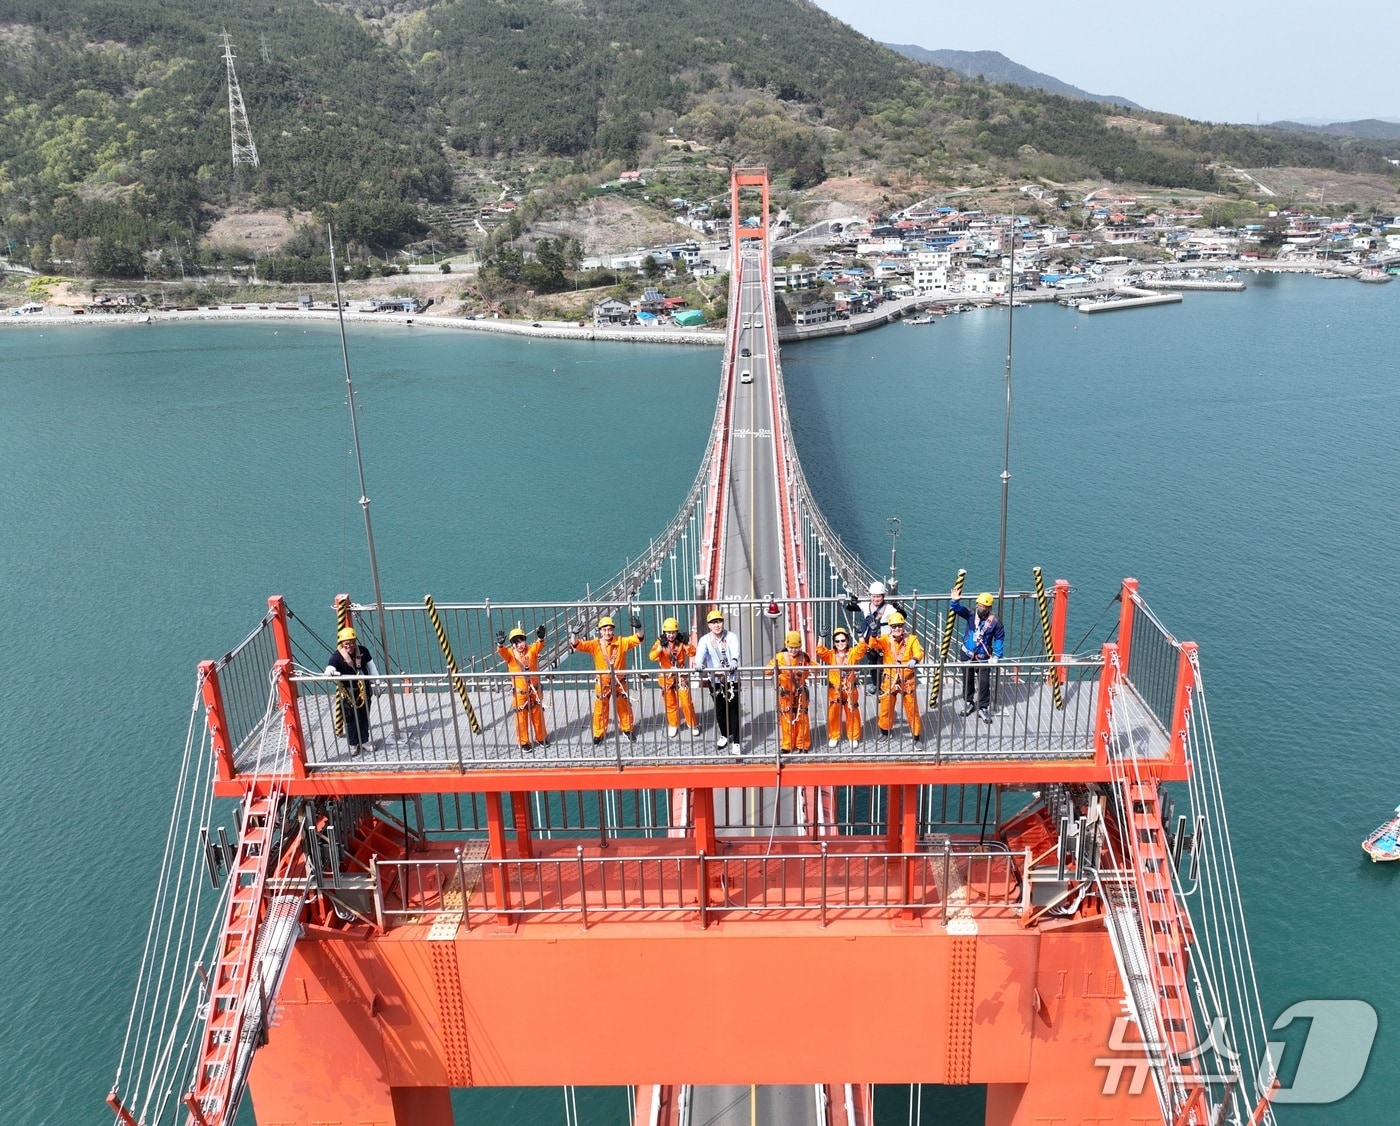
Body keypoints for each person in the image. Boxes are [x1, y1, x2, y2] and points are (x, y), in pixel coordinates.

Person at [571, 614, 644, 744]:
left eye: (609, 629)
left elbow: (639, 638)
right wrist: (574, 634)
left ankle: (627, 729)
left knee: (624, 707)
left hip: (619, 682)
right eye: (604, 630)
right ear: (600, 631)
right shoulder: (595, 644)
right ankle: (599, 734)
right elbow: (577, 645)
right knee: (600, 709)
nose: (607, 632)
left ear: (613, 630)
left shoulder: (621, 642)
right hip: (603, 683)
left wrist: (639, 628)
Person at [866, 611, 924, 740]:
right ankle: (885, 732)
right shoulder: (886, 639)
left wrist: (914, 659)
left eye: (899, 625)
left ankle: (916, 736)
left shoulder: (912, 639)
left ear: (903, 626)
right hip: (890, 680)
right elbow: (873, 644)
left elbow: (919, 652)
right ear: (890, 627)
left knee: (911, 708)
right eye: (894, 626)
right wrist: (873, 633)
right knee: (886, 707)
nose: (897, 628)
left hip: (906, 681)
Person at [950, 591, 1004, 724]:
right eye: (978, 605)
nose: (979, 608)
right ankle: (969, 702)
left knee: (984, 682)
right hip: (967, 653)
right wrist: (954, 600)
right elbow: (957, 609)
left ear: (989, 608)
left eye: (982, 607)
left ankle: (983, 707)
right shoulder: (971, 614)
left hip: (983, 656)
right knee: (967, 679)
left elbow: (999, 638)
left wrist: (997, 656)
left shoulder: (995, 622)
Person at [325, 626, 378, 756]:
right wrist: (330, 671)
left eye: (352, 642)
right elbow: (330, 666)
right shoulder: (337, 656)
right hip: (348, 693)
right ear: (342, 644)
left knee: (364, 716)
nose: (350, 645)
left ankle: (364, 740)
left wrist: (377, 683)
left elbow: (372, 667)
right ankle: (353, 744)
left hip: (364, 691)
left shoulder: (363, 651)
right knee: (350, 719)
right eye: (347, 643)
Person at [815, 626, 871, 748]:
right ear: (834, 642)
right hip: (835, 690)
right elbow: (820, 651)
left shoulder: (852, 653)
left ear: (847, 640)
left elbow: (862, 648)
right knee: (834, 713)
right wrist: (821, 637)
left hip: (850, 689)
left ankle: (853, 736)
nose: (840, 643)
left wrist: (860, 635)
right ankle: (834, 736)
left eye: (843, 640)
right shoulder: (830, 654)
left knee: (852, 711)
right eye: (837, 641)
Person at [694, 608, 741, 750]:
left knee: (733, 710)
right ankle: (725, 734)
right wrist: (699, 663)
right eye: (713, 622)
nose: (717, 625)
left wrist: (734, 660)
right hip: (715, 680)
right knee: (720, 710)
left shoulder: (731, 636)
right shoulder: (705, 640)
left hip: (731, 679)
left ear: (723, 623)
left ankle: (737, 742)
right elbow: (700, 654)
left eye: (719, 621)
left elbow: (735, 650)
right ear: (709, 625)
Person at [496, 624, 549, 750]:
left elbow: (539, 646)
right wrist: (500, 645)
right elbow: (502, 652)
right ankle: (524, 742)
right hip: (520, 693)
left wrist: (541, 638)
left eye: (521, 641)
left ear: (525, 640)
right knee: (521, 718)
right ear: (512, 644)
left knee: (538, 715)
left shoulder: (531, 650)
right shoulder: (510, 655)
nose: (520, 645)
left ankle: (541, 737)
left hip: (534, 690)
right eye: (516, 642)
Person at [650, 617, 700, 738]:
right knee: (670, 703)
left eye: (673, 632)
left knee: (686, 702)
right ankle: (673, 724)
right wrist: (660, 648)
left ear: (677, 632)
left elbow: (692, 653)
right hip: (666, 677)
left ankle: (692, 724)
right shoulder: (660, 642)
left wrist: (687, 644)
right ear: (665, 632)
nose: (671, 635)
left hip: (680, 675)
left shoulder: (681, 642)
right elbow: (652, 656)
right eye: (668, 632)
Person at [766, 630, 813, 752]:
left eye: (796, 647)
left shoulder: (804, 657)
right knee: (786, 719)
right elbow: (767, 671)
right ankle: (787, 745)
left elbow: (817, 668)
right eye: (791, 647)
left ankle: (802, 744)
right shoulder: (779, 657)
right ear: (786, 646)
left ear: (800, 647)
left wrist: (808, 666)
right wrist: (776, 669)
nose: (793, 650)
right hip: (786, 694)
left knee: (802, 718)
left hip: (800, 693)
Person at [849, 580, 897, 695]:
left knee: (882, 665)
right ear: (870, 596)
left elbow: (902, 616)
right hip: (869, 641)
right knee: (873, 664)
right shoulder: (866, 606)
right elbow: (851, 608)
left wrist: (899, 608)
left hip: (882, 642)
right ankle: (876, 685)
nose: (876, 599)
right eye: (874, 596)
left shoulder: (889, 608)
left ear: (883, 597)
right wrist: (852, 602)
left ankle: (883, 687)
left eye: (878, 597)